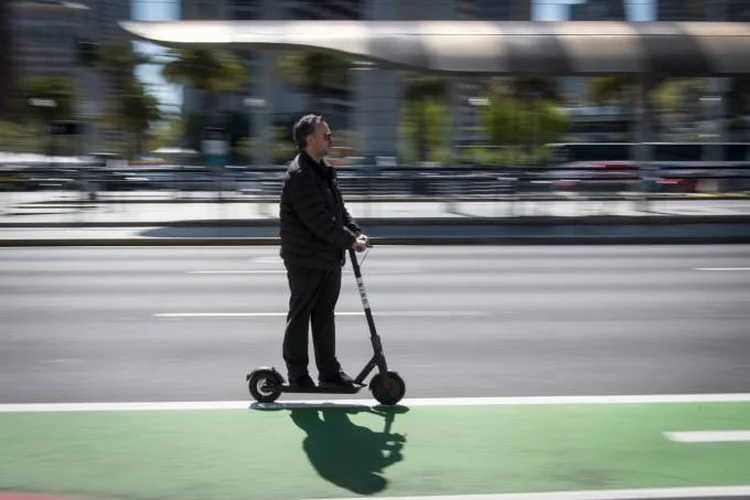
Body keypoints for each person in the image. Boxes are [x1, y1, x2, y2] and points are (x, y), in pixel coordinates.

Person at [279, 113, 368, 389]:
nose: (331, 138)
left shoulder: (324, 170)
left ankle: (329, 373)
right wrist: (348, 241)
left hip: (329, 257)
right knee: (301, 315)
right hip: (305, 259)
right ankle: (297, 374)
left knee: (325, 317)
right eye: (326, 134)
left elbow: (339, 211)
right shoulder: (300, 175)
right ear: (309, 140)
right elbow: (319, 221)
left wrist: (355, 231)